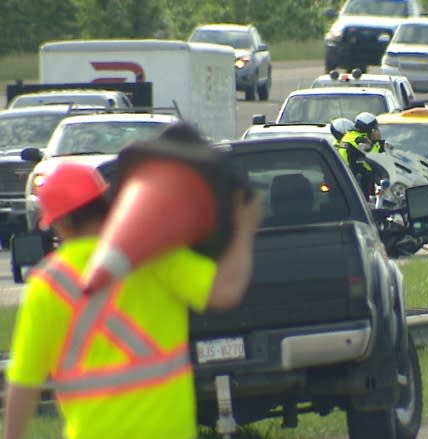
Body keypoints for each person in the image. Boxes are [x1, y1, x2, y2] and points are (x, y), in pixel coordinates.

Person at [2, 161, 262, 439]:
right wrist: (243, 230)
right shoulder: (156, 253)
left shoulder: (49, 283)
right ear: (106, 203)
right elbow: (227, 291)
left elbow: (24, 383)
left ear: (60, 224)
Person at [340, 112, 386, 200]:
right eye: (375, 128)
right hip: (357, 177)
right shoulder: (360, 140)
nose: (377, 130)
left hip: (348, 174)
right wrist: (378, 141)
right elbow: (373, 155)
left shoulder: (351, 135)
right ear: (371, 129)